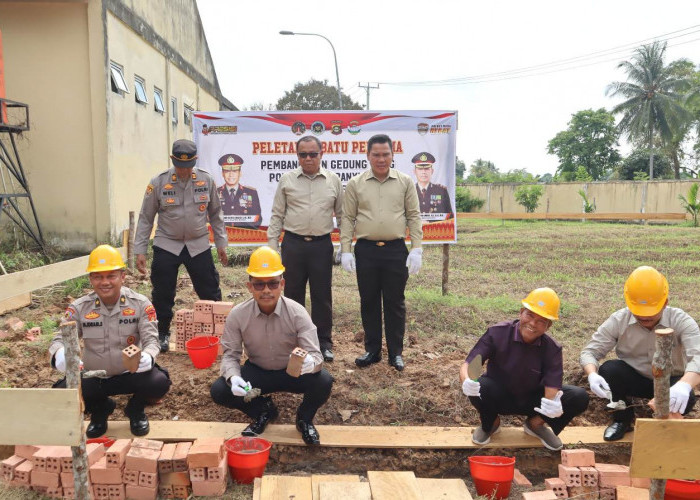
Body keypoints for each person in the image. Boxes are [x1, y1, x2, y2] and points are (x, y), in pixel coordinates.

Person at [210, 246, 333, 445]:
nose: (266, 290)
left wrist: (312, 363)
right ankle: (263, 410)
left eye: (273, 283)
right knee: (220, 390)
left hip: (292, 372)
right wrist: (233, 377)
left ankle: (304, 418)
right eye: (259, 284)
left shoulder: (297, 312)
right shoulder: (238, 315)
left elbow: (315, 354)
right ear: (249, 286)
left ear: (282, 284)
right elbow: (230, 355)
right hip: (258, 371)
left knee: (324, 381)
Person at [49, 245, 170, 438]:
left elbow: (152, 340)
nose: (105, 282)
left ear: (122, 277)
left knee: (159, 382)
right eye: (98, 276)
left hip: (130, 374)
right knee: (63, 392)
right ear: (91, 279)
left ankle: (135, 410)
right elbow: (59, 339)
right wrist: (60, 354)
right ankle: (101, 409)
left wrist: (148, 355)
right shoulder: (79, 308)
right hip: (94, 376)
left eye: (111, 276)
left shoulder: (140, 304)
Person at [460, 288, 589, 451]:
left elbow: (552, 383)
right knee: (480, 386)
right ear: (521, 313)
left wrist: (552, 404)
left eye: (541, 321)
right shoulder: (497, 333)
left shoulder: (552, 349)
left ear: (548, 326)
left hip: (532, 400)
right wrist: (467, 381)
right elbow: (470, 364)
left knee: (578, 397)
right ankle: (491, 423)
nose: (533, 324)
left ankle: (535, 424)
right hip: (498, 396)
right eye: (530, 315)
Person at [581, 266, 700, 441]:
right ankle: (622, 419)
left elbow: (698, 356)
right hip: (636, 379)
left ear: (665, 302)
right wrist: (592, 374)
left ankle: (666, 424)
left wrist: (684, 385)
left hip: (670, 382)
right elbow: (590, 352)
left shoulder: (681, 320)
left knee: (686, 398)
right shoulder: (619, 320)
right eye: (638, 312)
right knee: (609, 370)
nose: (644, 317)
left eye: (651, 312)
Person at [134, 139, 228, 353]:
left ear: (195, 161)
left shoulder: (206, 180)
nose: (184, 171)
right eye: (180, 166)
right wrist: (140, 250)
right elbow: (146, 217)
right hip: (167, 243)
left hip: (198, 244)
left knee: (210, 290)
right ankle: (162, 333)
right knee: (162, 292)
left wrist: (221, 242)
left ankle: (219, 333)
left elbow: (216, 213)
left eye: (188, 166)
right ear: (172, 160)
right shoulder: (158, 182)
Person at [340, 134, 423, 372]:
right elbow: (347, 218)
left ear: (392, 155)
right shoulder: (355, 183)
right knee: (369, 301)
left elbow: (413, 215)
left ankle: (395, 353)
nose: (381, 159)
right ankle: (372, 350)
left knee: (395, 302)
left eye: (385, 154)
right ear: (368, 156)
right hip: (366, 250)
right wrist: (345, 250)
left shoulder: (405, 182)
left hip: (395, 250)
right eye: (376, 154)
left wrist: (416, 248)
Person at [267, 136, 343, 362]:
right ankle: (294, 342)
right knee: (292, 296)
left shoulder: (333, 180)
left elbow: (342, 215)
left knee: (322, 296)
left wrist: (345, 245)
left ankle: (323, 343)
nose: (308, 158)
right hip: (293, 245)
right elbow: (277, 215)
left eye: (313, 154)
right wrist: (273, 247)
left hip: (321, 245)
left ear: (322, 153)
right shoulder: (287, 180)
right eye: (303, 154)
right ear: (297, 155)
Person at [217, 153, 262, 229]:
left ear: (240, 173)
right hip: (221, 234)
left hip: (244, 235)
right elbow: (209, 218)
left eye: (234, 171)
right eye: (227, 171)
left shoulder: (251, 193)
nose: (231, 175)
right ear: (222, 174)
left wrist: (241, 232)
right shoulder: (215, 193)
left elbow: (257, 219)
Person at [412, 152, 454, 219]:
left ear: (432, 171)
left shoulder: (441, 191)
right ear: (414, 171)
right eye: (420, 169)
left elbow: (449, 216)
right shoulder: (409, 191)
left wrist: (429, 222)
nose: (423, 172)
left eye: (427, 169)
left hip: (435, 226)